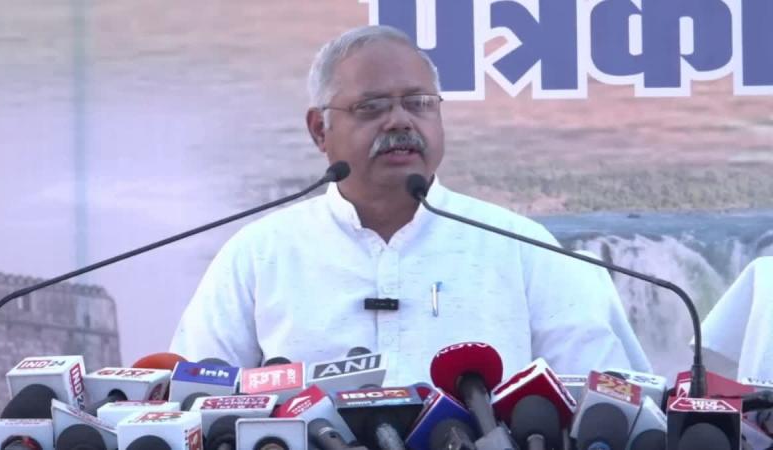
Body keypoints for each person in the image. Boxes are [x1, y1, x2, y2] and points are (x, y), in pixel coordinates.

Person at [170, 25, 647, 385]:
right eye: (372, 107)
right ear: (319, 130)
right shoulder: (260, 253)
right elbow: (192, 400)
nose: (400, 121)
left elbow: (608, 401)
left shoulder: (524, 249)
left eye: (418, 103)